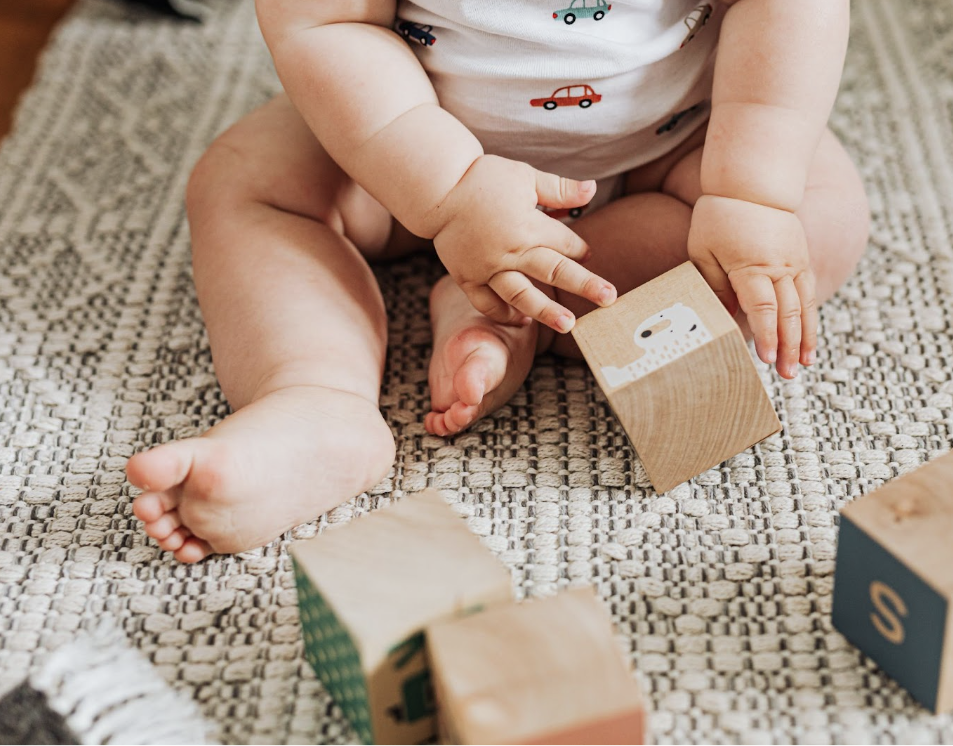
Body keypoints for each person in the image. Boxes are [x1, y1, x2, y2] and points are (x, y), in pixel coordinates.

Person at [126, 0, 869, 563]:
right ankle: (316, 398)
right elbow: (329, 27)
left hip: (677, 139)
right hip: (408, 145)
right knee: (248, 186)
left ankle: (512, 309)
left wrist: (748, 192)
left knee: (819, 221)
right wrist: (450, 190)